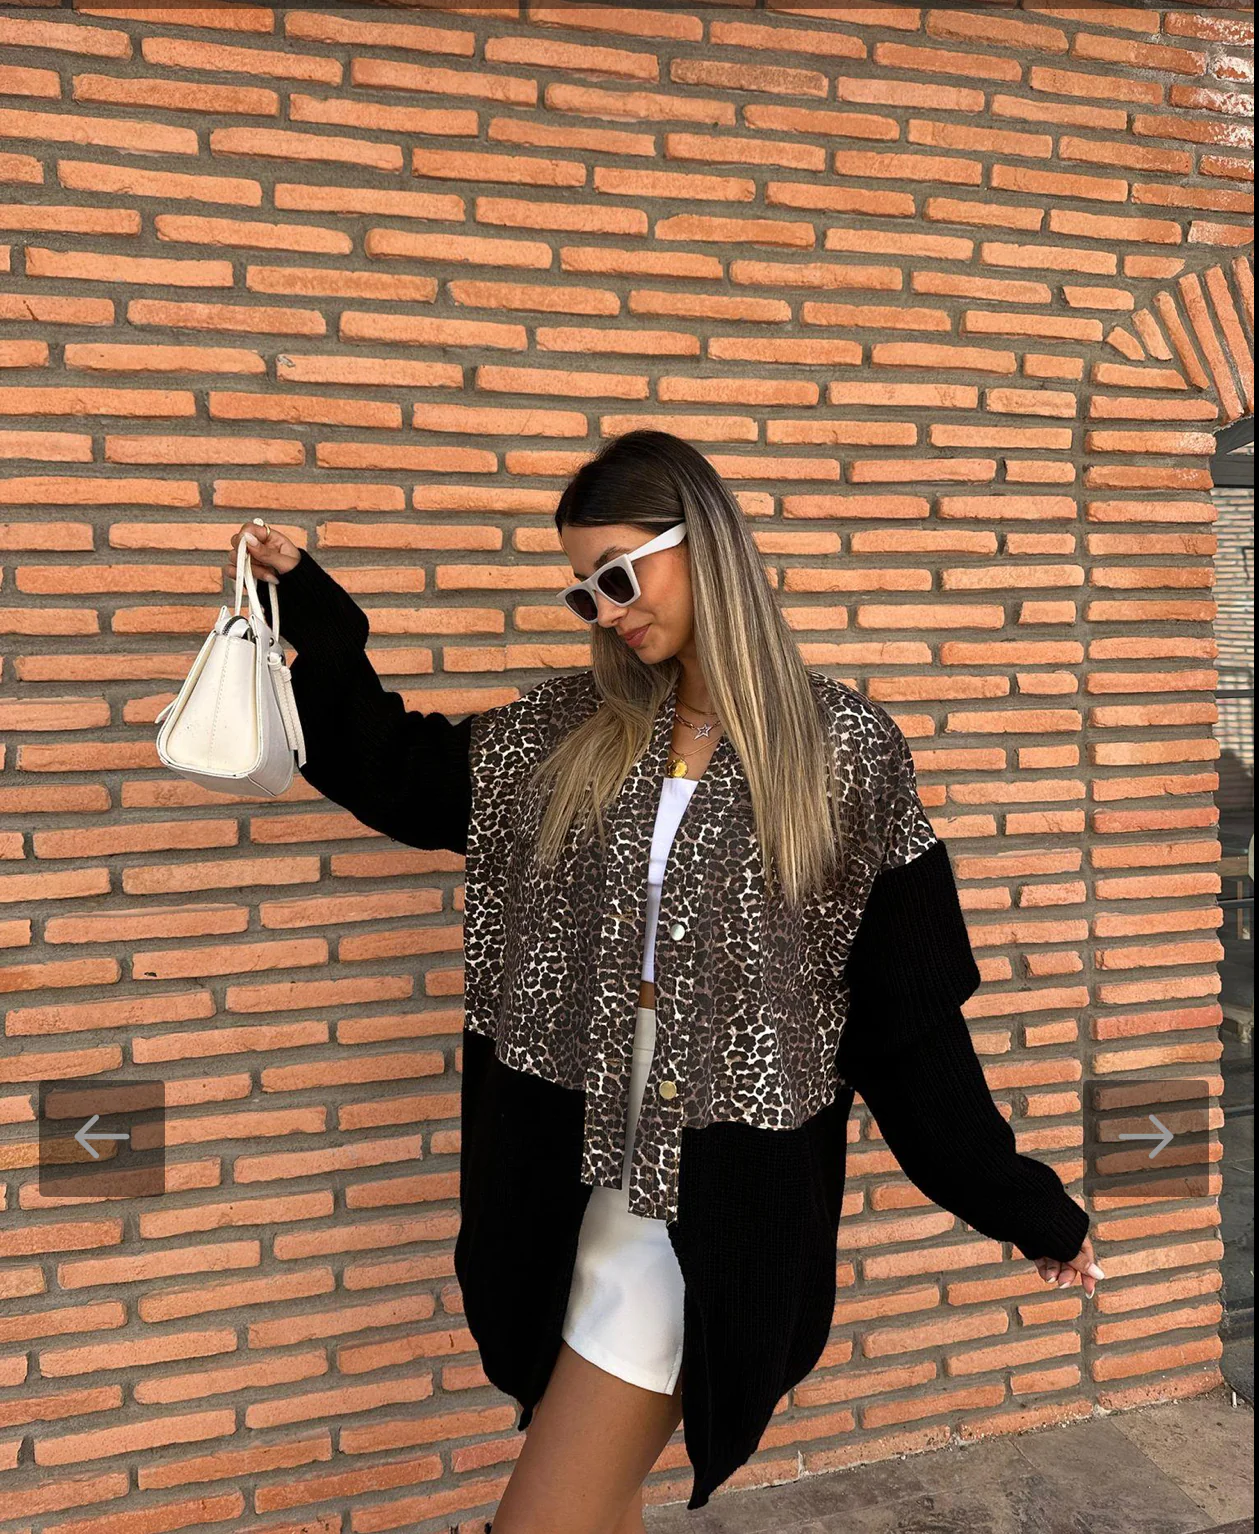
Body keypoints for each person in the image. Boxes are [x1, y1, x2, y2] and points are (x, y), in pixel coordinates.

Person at [227, 429, 1102, 1534]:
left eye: (618, 576)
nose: (605, 612)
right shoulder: (568, 732)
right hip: (567, 1175)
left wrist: (1018, 1203)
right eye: (582, 592)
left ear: (704, 545)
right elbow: (393, 772)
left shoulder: (840, 751)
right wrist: (311, 610)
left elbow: (908, 1026)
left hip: (708, 1200)